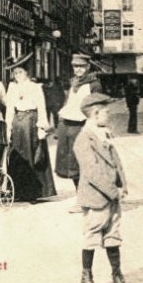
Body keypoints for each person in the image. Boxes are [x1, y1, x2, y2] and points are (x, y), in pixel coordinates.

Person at [73, 92, 130, 283]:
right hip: (97, 197)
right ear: (96, 113)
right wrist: (114, 191)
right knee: (92, 235)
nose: (109, 114)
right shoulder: (83, 139)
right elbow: (92, 172)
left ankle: (117, 275)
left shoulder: (103, 132)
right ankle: (86, 277)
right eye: (106, 111)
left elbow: (116, 162)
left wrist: (123, 184)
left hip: (112, 195)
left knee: (113, 235)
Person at [4, 56, 57, 203]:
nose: (17, 76)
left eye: (20, 72)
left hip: (31, 123)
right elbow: (9, 109)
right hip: (17, 123)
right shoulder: (12, 88)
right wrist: (8, 127)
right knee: (16, 156)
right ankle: (18, 191)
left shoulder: (35, 87)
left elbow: (41, 107)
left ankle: (33, 192)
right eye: (15, 73)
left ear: (26, 73)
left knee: (32, 155)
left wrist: (42, 128)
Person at [56, 53, 102, 198]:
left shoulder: (94, 84)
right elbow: (68, 104)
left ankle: (87, 197)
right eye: (76, 67)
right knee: (72, 164)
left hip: (82, 126)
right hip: (67, 125)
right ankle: (80, 196)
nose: (79, 70)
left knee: (83, 162)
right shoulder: (73, 83)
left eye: (82, 67)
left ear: (88, 67)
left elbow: (97, 109)